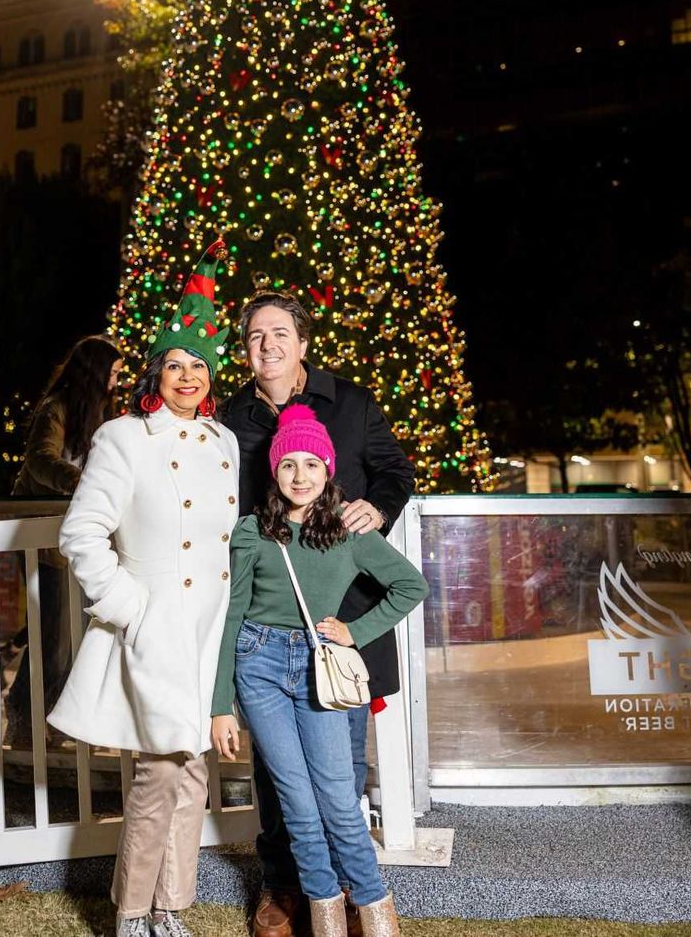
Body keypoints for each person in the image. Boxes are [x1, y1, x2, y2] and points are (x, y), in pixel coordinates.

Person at [48, 241, 239, 937]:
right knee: (161, 775)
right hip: (153, 629)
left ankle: (171, 909)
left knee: (194, 776)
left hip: (207, 632)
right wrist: (130, 607)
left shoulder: (225, 442)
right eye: (175, 363)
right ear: (155, 372)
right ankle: (132, 912)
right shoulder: (123, 438)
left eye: (199, 364)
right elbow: (82, 534)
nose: (187, 375)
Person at [221, 292, 415, 937]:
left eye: (280, 333)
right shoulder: (234, 419)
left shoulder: (351, 403)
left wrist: (377, 508)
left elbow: (393, 470)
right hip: (268, 612)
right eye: (254, 337)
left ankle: (355, 895)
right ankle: (287, 887)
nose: (268, 346)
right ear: (244, 349)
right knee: (279, 778)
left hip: (341, 613)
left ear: (303, 341)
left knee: (340, 774)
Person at [3, 334, 123, 747]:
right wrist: (82, 483)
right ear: (94, 370)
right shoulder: (56, 408)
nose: (117, 380)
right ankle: (23, 718)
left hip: (76, 537)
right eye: (113, 372)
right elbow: (40, 461)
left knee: (70, 634)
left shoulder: (103, 414)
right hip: (42, 533)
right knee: (50, 634)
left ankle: (53, 722)